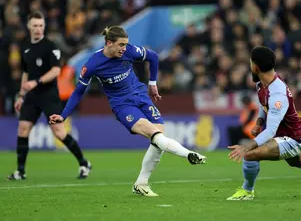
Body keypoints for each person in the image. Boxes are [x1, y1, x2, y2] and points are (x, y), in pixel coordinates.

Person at [49, 25, 207, 197]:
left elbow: (153, 57)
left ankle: (141, 184)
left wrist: (152, 84)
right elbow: (78, 91)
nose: (125, 49)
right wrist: (63, 115)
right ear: (109, 43)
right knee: (155, 134)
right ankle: (189, 154)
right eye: (121, 45)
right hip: (122, 105)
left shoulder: (129, 51)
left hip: (141, 96)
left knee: (158, 141)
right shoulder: (93, 64)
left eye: (126, 44)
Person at [226, 46, 301, 201]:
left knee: (250, 155)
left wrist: (246, 146)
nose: (250, 66)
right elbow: (263, 105)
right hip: (284, 135)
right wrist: (258, 122)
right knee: (298, 161)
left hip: (291, 137)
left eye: (251, 63)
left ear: (256, 67)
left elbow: (270, 131)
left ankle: (247, 191)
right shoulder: (262, 83)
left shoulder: (277, 93)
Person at [7, 11, 91, 181]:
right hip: (31, 96)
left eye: (41, 25)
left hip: (48, 95)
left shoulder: (51, 46)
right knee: (23, 129)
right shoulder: (24, 46)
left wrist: (36, 82)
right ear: (29, 27)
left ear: (44, 27)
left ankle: (84, 163)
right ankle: (20, 172)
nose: (38, 29)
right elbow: (26, 72)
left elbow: (55, 71)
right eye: (35, 25)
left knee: (59, 132)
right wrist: (21, 96)